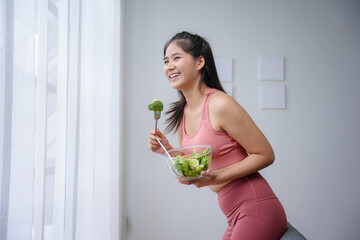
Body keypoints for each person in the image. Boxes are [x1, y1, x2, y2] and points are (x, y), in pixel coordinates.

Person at [148, 31, 287, 240]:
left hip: (257, 208)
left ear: (199, 62)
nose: (169, 66)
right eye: (166, 61)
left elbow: (266, 154)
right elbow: (193, 168)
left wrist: (218, 177)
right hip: (234, 216)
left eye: (177, 58)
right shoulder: (181, 114)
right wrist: (166, 151)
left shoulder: (219, 104)